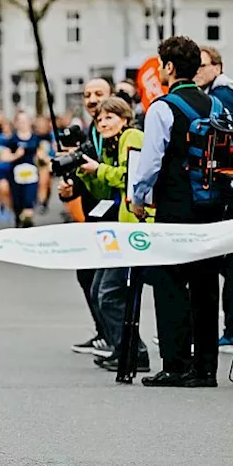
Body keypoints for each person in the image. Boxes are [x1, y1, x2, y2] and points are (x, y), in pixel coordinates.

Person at [130, 36, 223, 388]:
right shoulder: (214, 105)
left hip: (174, 204)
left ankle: (176, 363)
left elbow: (151, 160)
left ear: (168, 68)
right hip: (210, 204)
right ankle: (206, 368)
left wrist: (139, 196)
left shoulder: (162, 108)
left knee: (170, 283)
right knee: (205, 285)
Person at [75, 96, 152, 373]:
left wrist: (99, 169)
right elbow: (103, 192)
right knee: (100, 290)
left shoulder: (132, 137)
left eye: (110, 117)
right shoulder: (111, 145)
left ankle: (134, 353)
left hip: (136, 226)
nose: (103, 122)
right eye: (100, 119)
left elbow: (131, 176)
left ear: (124, 118)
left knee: (108, 293)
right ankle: (124, 349)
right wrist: (83, 174)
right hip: (119, 227)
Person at [195, 45, 233, 356]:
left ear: (217, 66)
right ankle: (231, 330)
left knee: (231, 262)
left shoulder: (224, 97)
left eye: (202, 65)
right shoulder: (222, 92)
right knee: (226, 261)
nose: (197, 71)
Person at [63, 78, 114, 357]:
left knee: (106, 284)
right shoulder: (88, 133)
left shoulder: (116, 130)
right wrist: (70, 189)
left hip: (116, 214)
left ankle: (117, 338)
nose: (92, 100)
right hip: (93, 213)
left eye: (98, 94)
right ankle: (104, 333)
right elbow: (81, 181)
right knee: (87, 275)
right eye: (87, 95)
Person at [0, 111, 42, 227]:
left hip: (31, 175)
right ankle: (18, 222)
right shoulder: (12, 139)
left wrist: (45, 159)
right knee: (18, 204)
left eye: (25, 121)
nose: (23, 124)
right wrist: (16, 155)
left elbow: (41, 154)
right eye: (20, 121)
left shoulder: (35, 138)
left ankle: (27, 225)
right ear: (16, 123)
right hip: (16, 176)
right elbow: (4, 157)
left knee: (29, 204)